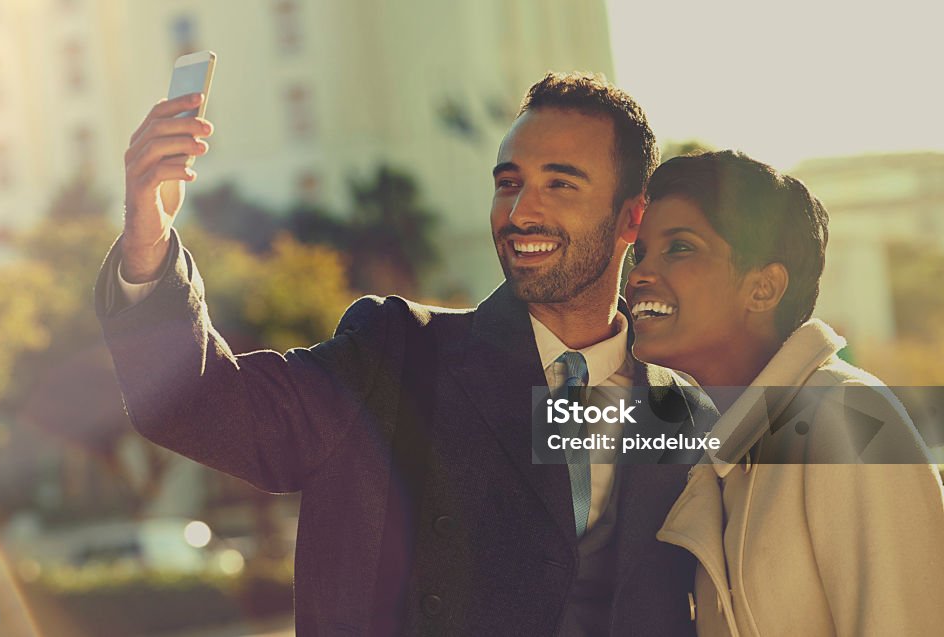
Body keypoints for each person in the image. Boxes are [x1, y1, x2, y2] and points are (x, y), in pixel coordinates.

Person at [96, 72, 715, 636]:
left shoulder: (687, 415)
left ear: (632, 218)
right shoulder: (397, 354)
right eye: (509, 183)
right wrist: (147, 244)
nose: (522, 211)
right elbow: (200, 403)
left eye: (560, 183)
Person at [626, 150, 944, 636]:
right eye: (641, 252)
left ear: (764, 288)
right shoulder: (724, 455)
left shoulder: (849, 416)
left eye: (680, 248)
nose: (640, 274)